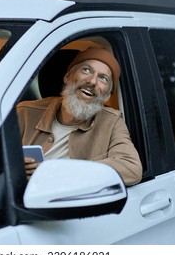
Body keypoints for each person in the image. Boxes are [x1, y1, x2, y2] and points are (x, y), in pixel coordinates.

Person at [17, 47, 142, 186]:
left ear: (106, 96)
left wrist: (59, 170)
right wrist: (12, 165)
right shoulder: (24, 112)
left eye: (103, 78)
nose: (92, 81)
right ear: (67, 77)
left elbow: (132, 169)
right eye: (86, 70)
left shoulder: (112, 122)